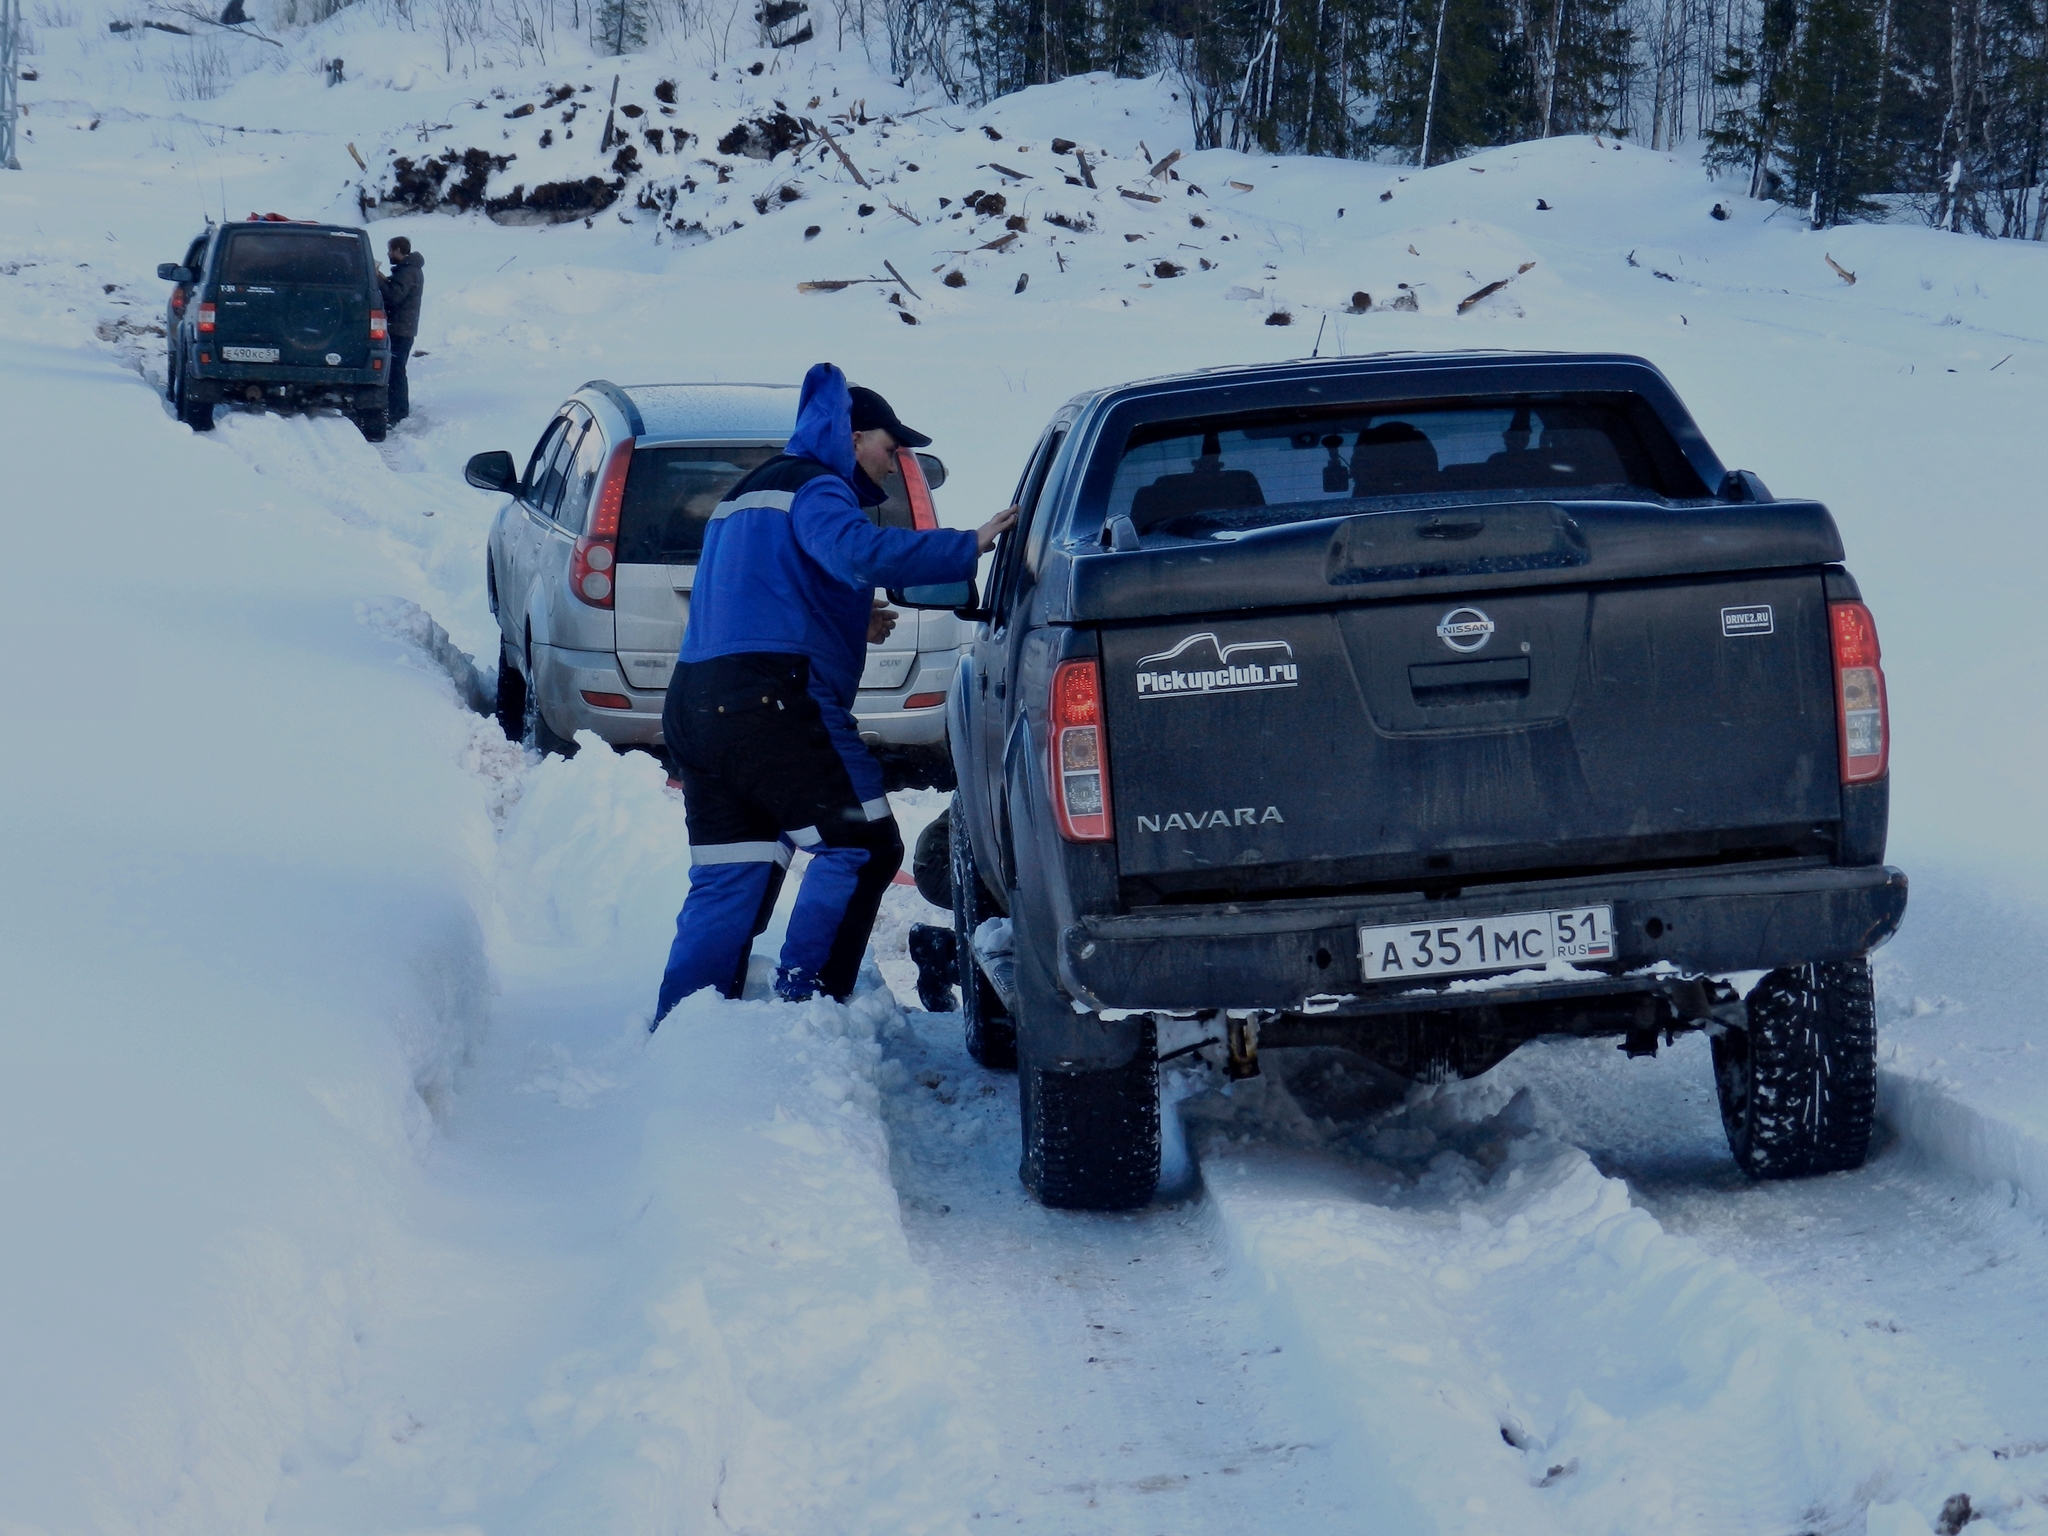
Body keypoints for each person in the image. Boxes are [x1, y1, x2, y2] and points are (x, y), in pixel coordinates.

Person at [653, 363, 1016, 1024]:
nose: (894, 458)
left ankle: (685, 1026)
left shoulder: (747, 493)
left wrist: (854, 615)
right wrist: (970, 544)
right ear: (849, 436)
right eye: (889, 443)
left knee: (732, 873)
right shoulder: (818, 487)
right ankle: (808, 1007)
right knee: (862, 843)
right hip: (773, 702)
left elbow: (767, 590)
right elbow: (851, 551)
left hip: (698, 703)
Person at [377, 236, 424, 425]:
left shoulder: (407, 272)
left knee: (396, 370)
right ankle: (397, 409)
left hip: (400, 330)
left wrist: (377, 279)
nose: (388, 254)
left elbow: (394, 296)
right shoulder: (410, 271)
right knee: (396, 369)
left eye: (390, 250)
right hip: (403, 328)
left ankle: (398, 412)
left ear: (397, 250)